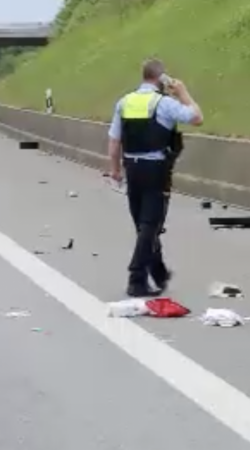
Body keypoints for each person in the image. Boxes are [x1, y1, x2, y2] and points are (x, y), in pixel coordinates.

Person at [107, 58, 203, 297]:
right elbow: (197, 118)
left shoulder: (124, 102)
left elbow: (114, 141)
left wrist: (115, 170)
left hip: (132, 168)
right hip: (155, 169)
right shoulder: (164, 103)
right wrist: (183, 92)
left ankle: (158, 271)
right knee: (150, 225)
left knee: (143, 225)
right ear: (161, 79)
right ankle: (136, 278)